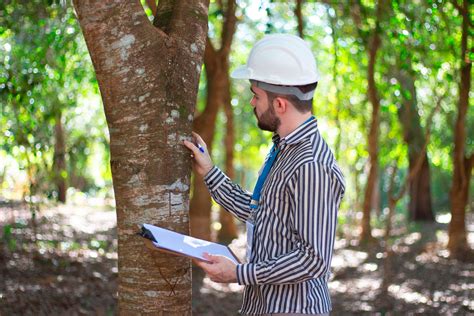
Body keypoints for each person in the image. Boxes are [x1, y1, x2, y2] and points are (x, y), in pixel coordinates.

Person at [184, 34, 345, 316]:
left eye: (256, 96)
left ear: (280, 104)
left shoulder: (310, 164)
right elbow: (258, 211)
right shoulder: (283, 149)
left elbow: (313, 259)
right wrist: (209, 171)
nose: (251, 103)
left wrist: (240, 273)